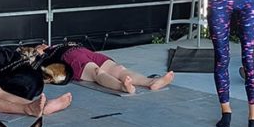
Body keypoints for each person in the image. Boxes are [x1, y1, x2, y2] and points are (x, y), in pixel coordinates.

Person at [34, 42, 174, 94]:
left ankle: (150, 82)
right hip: (71, 57)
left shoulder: (58, 45)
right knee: (97, 72)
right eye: (39, 45)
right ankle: (122, 87)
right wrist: (39, 52)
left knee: (119, 68)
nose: (42, 45)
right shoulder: (48, 55)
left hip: (85, 52)